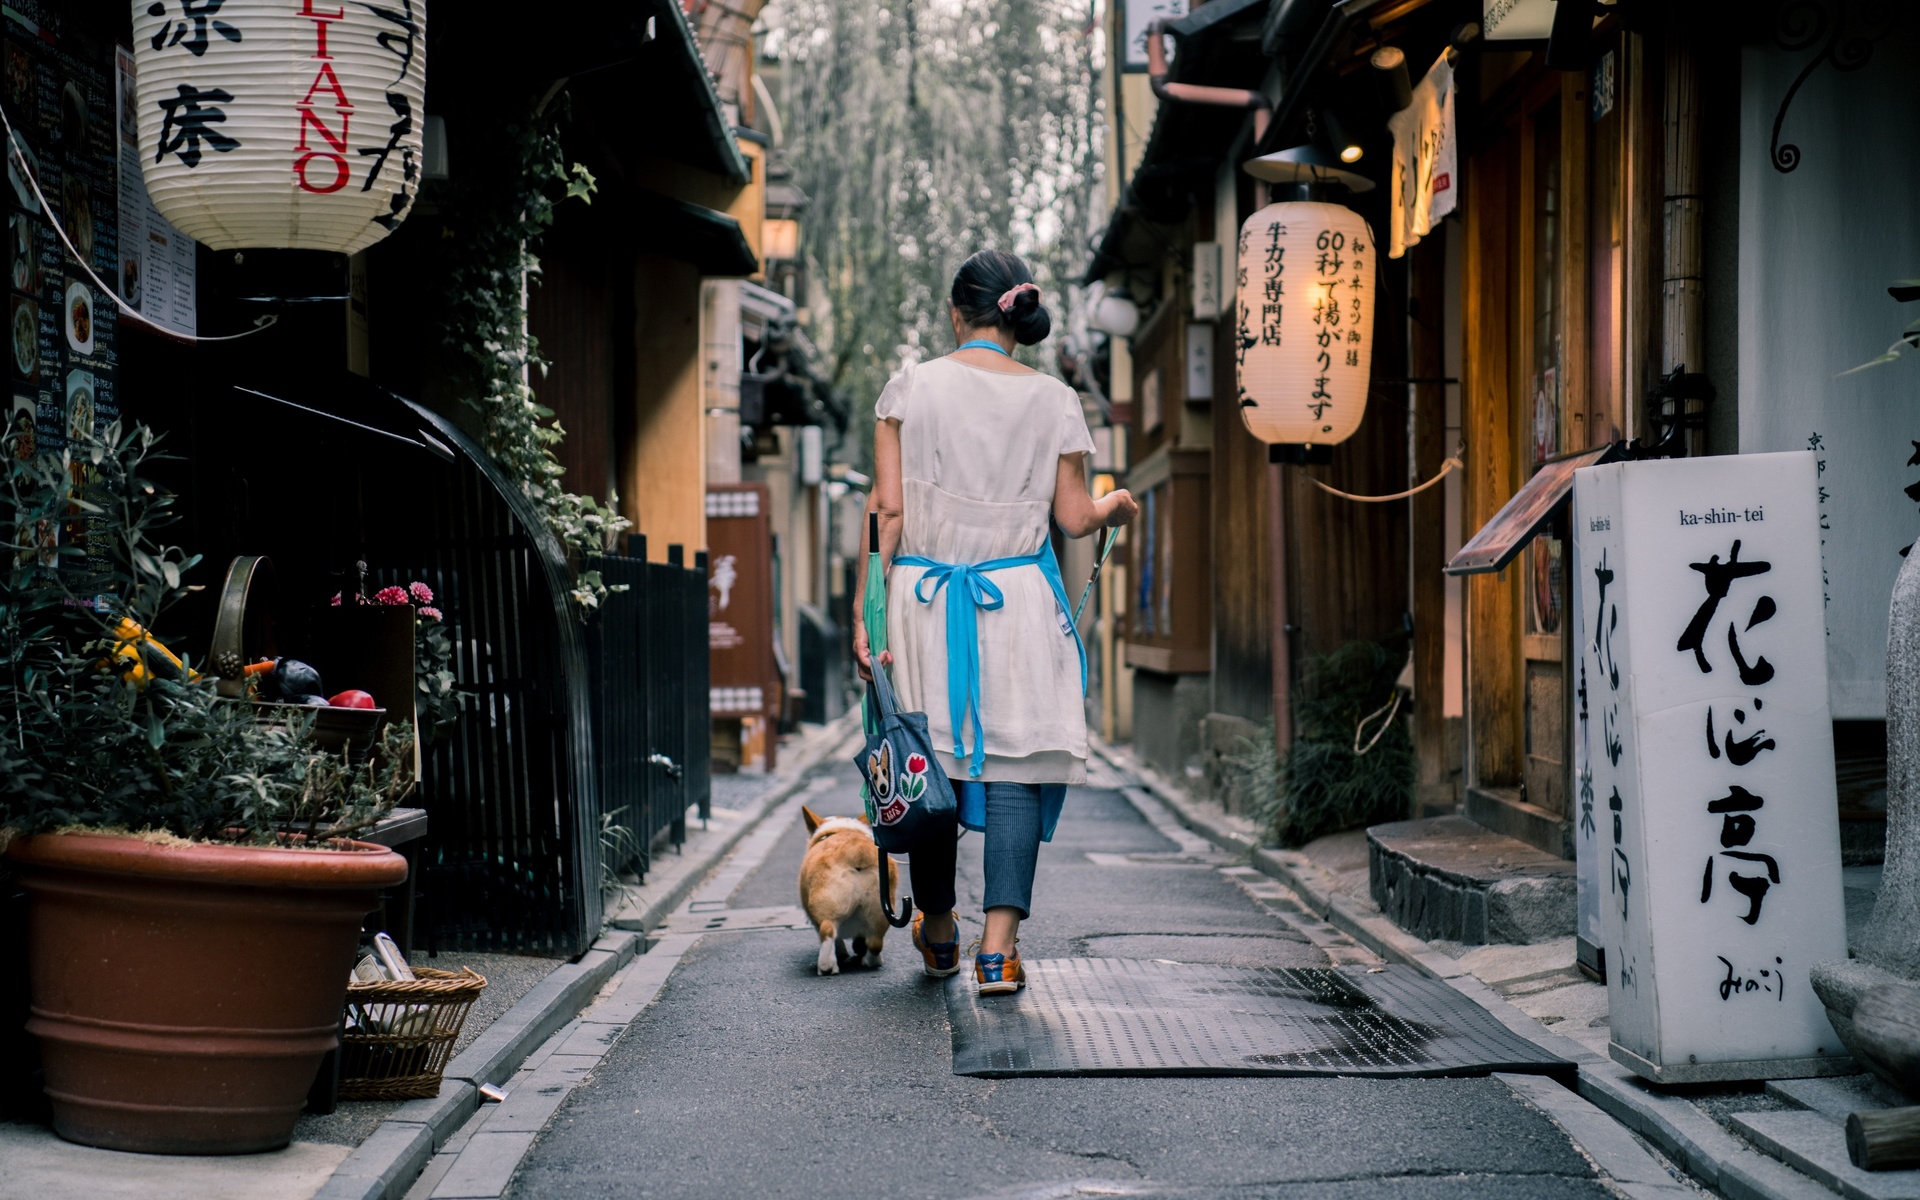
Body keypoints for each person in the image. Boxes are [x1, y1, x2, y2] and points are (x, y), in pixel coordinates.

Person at [852, 249, 1138, 996]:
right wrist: (1117, 506)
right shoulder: (1054, 401)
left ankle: (939, 929)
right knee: (1015, 766)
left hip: (921, 600)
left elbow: (886, 514)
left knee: (930, 761)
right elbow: (1075, 518)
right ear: (1015, 320)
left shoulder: (911, 388)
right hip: (1011, 604)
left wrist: (866, 613)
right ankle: (997, 950)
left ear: (957, 314)